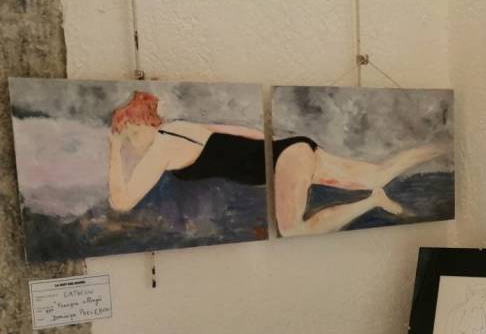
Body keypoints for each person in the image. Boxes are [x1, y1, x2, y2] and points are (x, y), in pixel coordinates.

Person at [107, 90, 443, 236]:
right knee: (378, 173)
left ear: (142, 123)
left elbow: (121, 202)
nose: (131, 145)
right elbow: (247, 133)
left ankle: (371, 202)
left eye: (130, 135)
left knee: (292, 230)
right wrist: (288, 155)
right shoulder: (181, 127)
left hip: (284, 162)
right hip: (292, 148)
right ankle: (441, 146)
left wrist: (113, 151)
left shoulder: (161, 150)